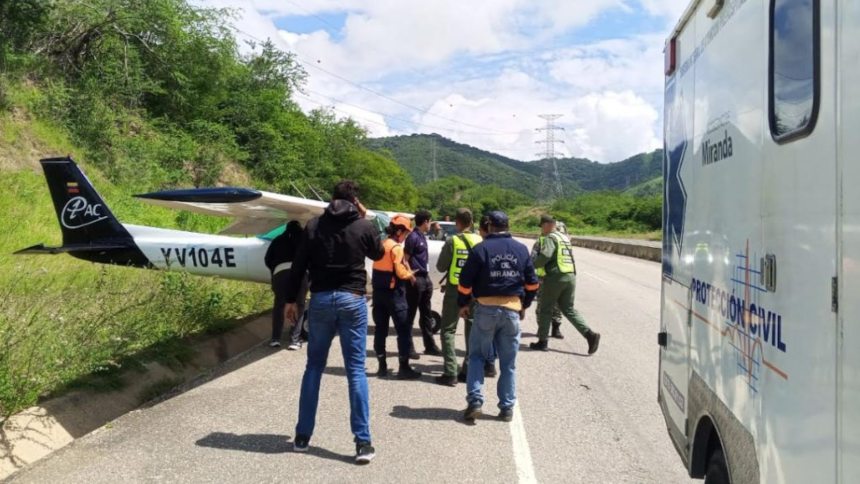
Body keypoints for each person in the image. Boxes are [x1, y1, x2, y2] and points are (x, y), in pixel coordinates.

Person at [284, 180, 385, 464]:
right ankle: (362, 443)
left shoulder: (314, 225)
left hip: (321, 301)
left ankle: (303, 437)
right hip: (352, 300)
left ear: (331, 199)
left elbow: (299, 265)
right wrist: (365, 217)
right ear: (354, 201)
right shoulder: (363, 225)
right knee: (355, 371)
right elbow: (378, 253)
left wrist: (291, 300)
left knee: (314, 366)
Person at [457, 211, 539, 422]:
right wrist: (524, 305)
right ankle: (506, 408)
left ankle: (475, 401)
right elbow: (532, 284)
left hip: (485, 309)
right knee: (508, 364)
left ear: (490, 225)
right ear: (507, 225)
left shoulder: (481, 249)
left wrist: (463, 304)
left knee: (476, 356)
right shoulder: (521, 249)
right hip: (512, 309)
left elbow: (464, 283)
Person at [529, 214, 600, 354]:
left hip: (556, 277)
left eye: (542, 227)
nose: (541, 230)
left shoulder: (550, 238)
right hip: (570, 276)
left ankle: (542, 341)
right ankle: (590, 334)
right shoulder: (564, 238)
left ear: (546, 225)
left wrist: (531, 265)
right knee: (568, 309)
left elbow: (545, 256)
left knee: (545, 309)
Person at [434, 208, 488, 386]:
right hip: (474, 291)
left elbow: (441, 267)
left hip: (454, 290)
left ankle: (450, 372)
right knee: (471, 329)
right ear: (472, 223)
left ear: (457, 222)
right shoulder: (480, 240)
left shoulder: (452, 241)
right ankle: (467, 370)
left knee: (448, 330)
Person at [372, 215, 422, 380]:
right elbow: (400, 272)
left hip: (378, 294)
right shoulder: (397, 248)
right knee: (404, 330)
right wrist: (411, 274)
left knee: (380, 330)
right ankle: (404, 367)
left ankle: (382, 366)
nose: (406, 236)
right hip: (395, 295)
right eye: (406, 233)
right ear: (399, 231)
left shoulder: (381, 244)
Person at [405, 209, 443, 357]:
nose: (431, 225)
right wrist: (410, 276)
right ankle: (408, 347)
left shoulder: (422, 237)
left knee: (426, 314)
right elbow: (405, 258)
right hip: (416, 279)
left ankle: (430, 346)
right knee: (410, 314)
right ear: (425, 221)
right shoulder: (413, 237)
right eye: (430, 221)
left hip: (425, 278)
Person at [264, 220, 308, 349]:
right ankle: (294, 340)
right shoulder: (305, 239)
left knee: (279, 305)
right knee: (299, 304)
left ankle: (275, 339)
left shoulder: (278, 239)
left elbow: (268, 259)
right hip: (300, 273)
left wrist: (275, 270)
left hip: (280, 273)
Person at [531, 216, 564, 340]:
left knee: (553, 305)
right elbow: (532, 259)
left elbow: (532, 260)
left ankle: (554, 329)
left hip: (552, 277)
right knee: (546, 305)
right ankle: (545, 329)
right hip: (545, 277)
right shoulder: (542, 241)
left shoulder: (555, 240)